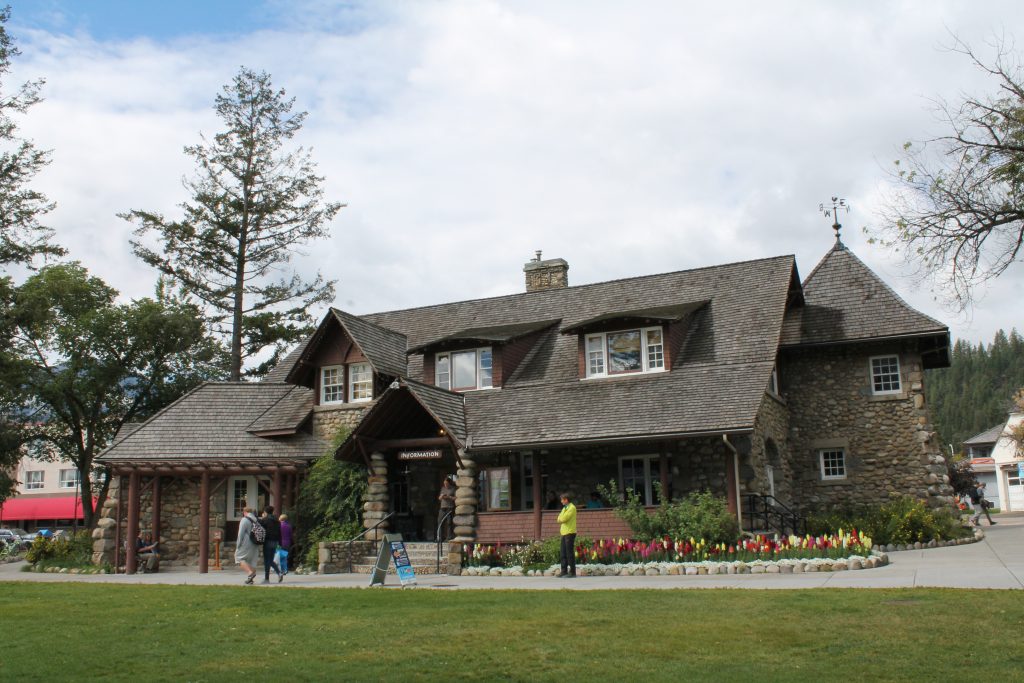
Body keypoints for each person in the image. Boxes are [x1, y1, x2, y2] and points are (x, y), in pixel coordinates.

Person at [235, 506, 260, 584]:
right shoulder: (256, 520)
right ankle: (250, 579)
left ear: (244, 512)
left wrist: (238, 545)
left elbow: (241, 533)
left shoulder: (244, 519)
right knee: (251, 560)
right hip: (255, 542)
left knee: (238, 557)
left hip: (246, 542)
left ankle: (250, 573)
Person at [260, 505, 283, 583]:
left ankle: (268, 578)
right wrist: (280, 542)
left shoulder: (265, 520)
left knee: (267, 560)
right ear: (272, 511)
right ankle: (278, 573)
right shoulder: (277, 521)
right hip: (275, 541)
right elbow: (280, 533)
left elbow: (260, 529)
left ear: (265, 512)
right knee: (270, 559)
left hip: (267, 541)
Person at [557, 493, 577, 578]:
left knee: (569, 553)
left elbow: (564, 518)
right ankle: (564, 571)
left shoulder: (572, 508)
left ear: (566, 500)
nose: (561, 501)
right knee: (563, 553)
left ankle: (572, 572)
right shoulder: (564, 508)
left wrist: (561, 519)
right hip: (564, 532)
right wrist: (561, 519)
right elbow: (558, 519)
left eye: (562, 499)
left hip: (570, 532)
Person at [437, 476, 456, 541]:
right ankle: (440, 537)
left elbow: (455, 498)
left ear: (449, 483)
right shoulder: (443, 488)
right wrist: (441, 497)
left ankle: (449, 537)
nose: (445, 485)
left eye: (446, 484)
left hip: (449, 508)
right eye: (444, 483)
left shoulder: (453, 489)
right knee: (440, 522)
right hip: (442, 508)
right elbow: (439, 498)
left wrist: (449, 497)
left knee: (449, 523)